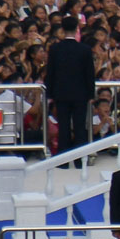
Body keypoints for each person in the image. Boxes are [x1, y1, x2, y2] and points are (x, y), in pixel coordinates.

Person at [45, 16, 96, 153]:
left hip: (61, 94)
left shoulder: (55, 49)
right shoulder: (84, 49)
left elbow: (50, 72)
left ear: (62, 29)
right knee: (79, 127)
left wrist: (49, 93)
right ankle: (80, 159)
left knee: (64, 127)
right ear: (76, 29)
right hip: (81, 94)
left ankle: (63, 159)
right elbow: (89, 74)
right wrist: (91, 94)